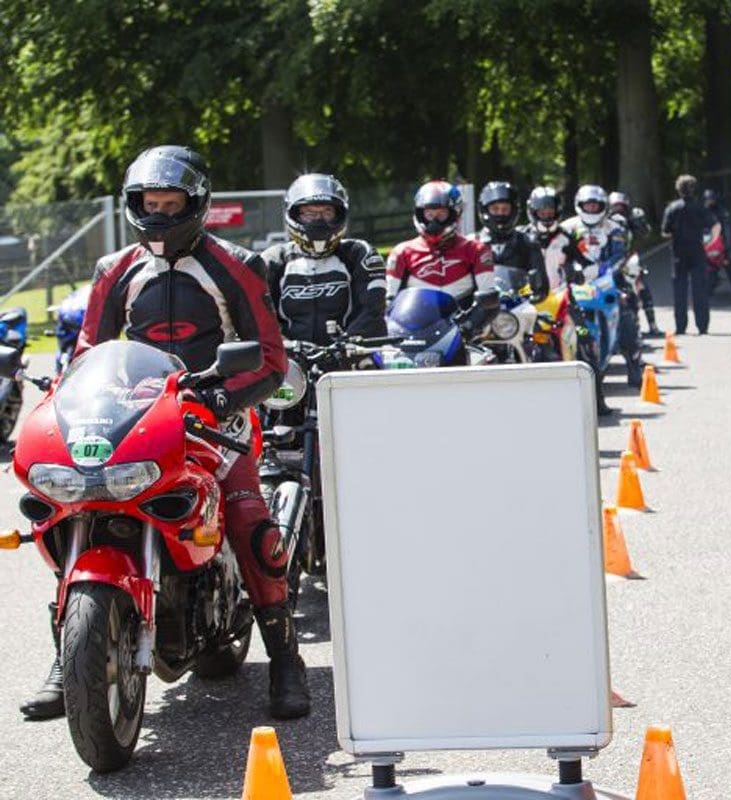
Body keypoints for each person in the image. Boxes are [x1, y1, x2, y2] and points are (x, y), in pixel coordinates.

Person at [21, 145, 310, 722]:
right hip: (136, 418)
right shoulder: (115, 270)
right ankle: (69, 650)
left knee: (251, 523)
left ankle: (285, 659)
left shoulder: (236, 264)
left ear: (195, 203)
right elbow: (88, 353)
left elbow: (271, 360)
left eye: (169, 203)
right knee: (69, 507)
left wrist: (223, 397)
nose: (157, 214)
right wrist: (67, 396)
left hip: (216, 420)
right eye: (147, 204)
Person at [261, 173, 387, 345]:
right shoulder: (274, 260)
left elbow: (372, 311)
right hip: (288, 361)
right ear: (294, 215)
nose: (318, 221)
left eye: (327, 212)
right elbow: (259, 318)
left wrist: (346, 346)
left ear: (339, 214)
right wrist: (285, 346)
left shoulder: (359, 254)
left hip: (351, 358)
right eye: (309, 213)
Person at [522, 186, 614, 415]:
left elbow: (587, 263)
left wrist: (580, 274)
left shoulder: (566, 237)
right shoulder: (521, 237)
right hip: (527, 301)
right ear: (532, 211)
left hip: (561, 298)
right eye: (541, 211)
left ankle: (597, 400)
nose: (546, 215)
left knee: (586, 338)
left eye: (550, 211)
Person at [386, 181, 497, 339]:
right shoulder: (401, 252)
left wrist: (469, 326)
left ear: (454, 214)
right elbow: (388, 301)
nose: (434, 221)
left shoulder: (477, 250)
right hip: (414, 333)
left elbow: (488, 297)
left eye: (441, 214)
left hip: (464, 332)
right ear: (419, 214)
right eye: (429, 214)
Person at [563, 184, 645, 387]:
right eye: (587, 206)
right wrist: (570, 271)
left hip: (608, 279)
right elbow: (559, 254)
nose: (591, 209)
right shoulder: (567, 228)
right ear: (579, 205)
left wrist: (603, 270)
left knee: (627, 313)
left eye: (595, 205)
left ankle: (634, 365)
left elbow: (619, 254)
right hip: (574, 281)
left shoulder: (613, 228)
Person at [472, 180, 549, 302]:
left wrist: (524, 294)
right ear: (485, 210)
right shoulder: (471, 244)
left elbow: (541, 287)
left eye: (505, 209)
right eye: (495, 209)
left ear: (513, 210)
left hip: (517, 310)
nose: (500, 213)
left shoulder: (527, 242)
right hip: (479, 310)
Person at [660, 174, 719, 335]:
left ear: (678, 190)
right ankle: (702, 326)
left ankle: (681, 327)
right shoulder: (700, 207)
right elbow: (715, 226)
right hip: (697, 251)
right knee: (699, 289)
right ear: (694, 189)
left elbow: (665, 232)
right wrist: (709, 242)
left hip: (678, 253)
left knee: (680, 291)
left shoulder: (672, 208)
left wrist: (675, 234)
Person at [609, 190, 661, 337]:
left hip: (629, 258)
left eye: (621, 207)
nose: (618, 211)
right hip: (609, 261)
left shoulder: (631, 220)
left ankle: (652, 325)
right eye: (615, 207)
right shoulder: (603, 223)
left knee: (642, 286)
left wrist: (639, 221)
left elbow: (645, 233)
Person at [702, 188, 731, 299]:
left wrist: (727, 249)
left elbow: (728, 230)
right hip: (708, 245)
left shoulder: (722, 212)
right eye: (708, 200)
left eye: (711, 199)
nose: (710, 202)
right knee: (705, 268)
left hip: (722, 245)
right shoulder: (702, 213)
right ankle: (706, 292)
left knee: (730, 265)